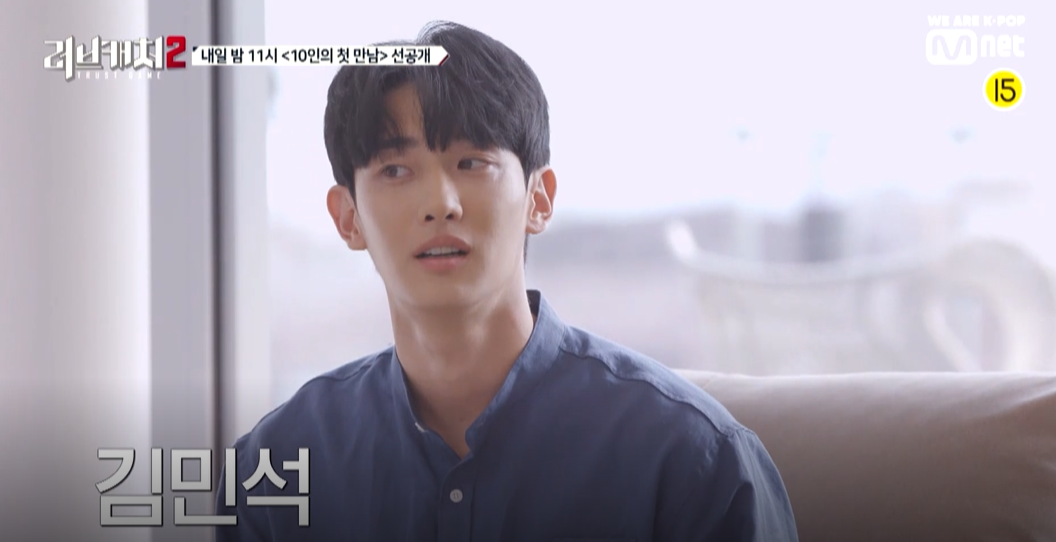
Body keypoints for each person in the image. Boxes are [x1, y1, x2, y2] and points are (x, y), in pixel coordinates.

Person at [215, 21, 799, 542]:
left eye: (472, 163)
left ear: (538, 199)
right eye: (396, 170)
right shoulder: (277, 465)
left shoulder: (690, 459)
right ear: (348, 218)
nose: (440, 203)